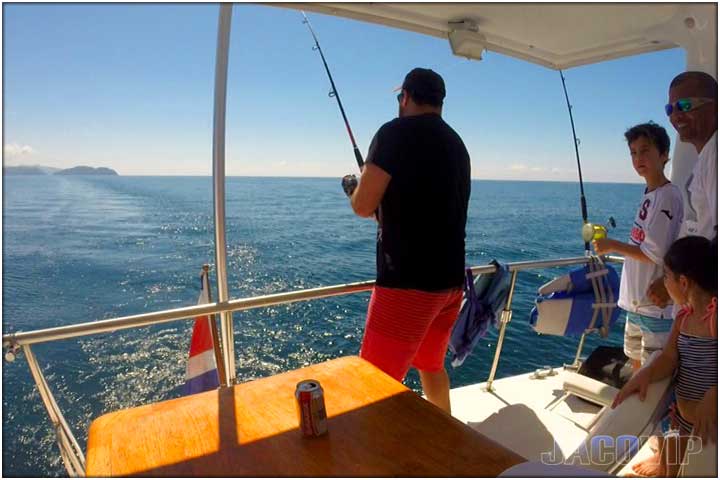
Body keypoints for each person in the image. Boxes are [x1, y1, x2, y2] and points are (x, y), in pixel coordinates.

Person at [341, 68, 470, 414]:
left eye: (401, 97)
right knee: (430, 365)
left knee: (375, 383)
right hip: (450, 285)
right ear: (440, 102)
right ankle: (446, 438)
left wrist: (354, 189)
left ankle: (377, 464)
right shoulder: (458, 145)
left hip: (408, 286)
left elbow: (364, 206)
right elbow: (422, 211)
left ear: (407, 97)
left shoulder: (393, 134)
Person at [612, 236, 717, 477]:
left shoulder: (715, 318)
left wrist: (715, 393)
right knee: (671, 471)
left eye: (666, 276)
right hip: (681, 418)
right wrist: (644, 374)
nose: (664, 282)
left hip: (709, 425)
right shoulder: (683, 318)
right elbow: (669, 357)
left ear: (683, 283)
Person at [593, 123, 683, 370]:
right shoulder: (650, 193)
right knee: (635, 366)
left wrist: (612, 245)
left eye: (645, 150)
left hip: (655, 309)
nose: (638, 158)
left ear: (664, 155)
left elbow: (652, 253)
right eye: (633, 152)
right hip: (636, 303)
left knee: (652, 374)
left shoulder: (667, 196)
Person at [647, 71, 717, 308]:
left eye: (685, 105)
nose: (676, 115)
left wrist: (678, 282)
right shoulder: (706, 156)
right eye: (670, 109)